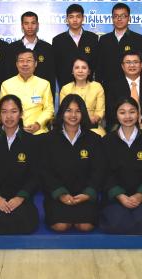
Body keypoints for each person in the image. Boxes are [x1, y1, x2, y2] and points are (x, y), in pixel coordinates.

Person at [0, 95, 41, 235]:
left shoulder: (32, 141)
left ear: (21, 113)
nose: (9, 116)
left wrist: (20, 197)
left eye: (14, 111)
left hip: (21, 197)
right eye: (4, 112)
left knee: (25, 225)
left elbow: (36, 175)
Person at [41, 95, 105, 232]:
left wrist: (87, 194)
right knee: (60, 226)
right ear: (62, 112)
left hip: (84, 195)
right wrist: (61, 194)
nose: (73, 115)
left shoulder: (94, 139)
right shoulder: (48, 139)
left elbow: (99, 170)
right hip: (58, 195)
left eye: (78, 111)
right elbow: (45, 171)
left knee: (85, 226)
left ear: (83, 113)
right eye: (69, 110)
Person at [101, 97, 142, 234]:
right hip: (115, 198)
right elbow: (103, 172)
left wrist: (140, 194)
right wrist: (120, 195)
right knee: (117, 223)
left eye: (132, 112)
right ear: (116, 115)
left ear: (138, 114)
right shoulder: (107, 141)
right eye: (122, 112)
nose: (127, 116)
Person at [0, 49, 54, 134]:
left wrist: (38, 124)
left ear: (35, 63)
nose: (25, 64)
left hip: (38, 131)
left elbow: (49, 109)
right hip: (13, 131)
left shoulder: (44, 84)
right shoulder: (6, 84)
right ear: (16, 64)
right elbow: (2, 109)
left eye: (29, 61)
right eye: (21, 61)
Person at [104, 51, 142, 136]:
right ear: (122, 66)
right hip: (120, 124)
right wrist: (125, 123)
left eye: (135, 62)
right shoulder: (113, 87)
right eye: (128, 62)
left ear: (141, 65)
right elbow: (110, 111)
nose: (132, 65)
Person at [97, 3, 142, 85]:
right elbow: (99, 66)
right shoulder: (104, 39)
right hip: (108, 86)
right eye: (116, 16)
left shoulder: (139, 39)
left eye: (123, 16)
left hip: (131, 86)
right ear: (112, 18)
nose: (119, 19)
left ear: (129, 18)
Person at [9, 11, 56, 94]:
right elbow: (9, 75)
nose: (30, 26)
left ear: (37, 25)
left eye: (33, 23)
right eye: (26, 23)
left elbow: (51, 76)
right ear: (22, 26)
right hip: (17, 93)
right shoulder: (12, 48)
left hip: (41, 94)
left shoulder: (48, 48)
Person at [52, 4, 99, 87]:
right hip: (66, 87)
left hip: (88, 87)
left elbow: (96, 64)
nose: (75, 20)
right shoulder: (58, 40)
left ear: (83, 18)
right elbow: (56, 67)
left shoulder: (93, 38)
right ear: (67, 19)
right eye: (71, 17)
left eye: (78, 16)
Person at [59, 56, 106, 135]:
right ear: (72, 71)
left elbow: (100, 111)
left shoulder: (97, 87)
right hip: (71, 124)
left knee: (99, 135)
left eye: (84, 68)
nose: (80, 71)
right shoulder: (65, 89)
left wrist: (94, 119)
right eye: (77, 68)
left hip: (91, 125)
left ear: (89, 71)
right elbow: (64, 112)